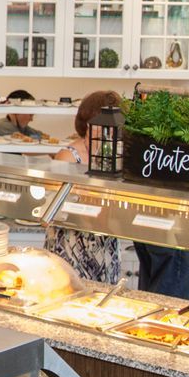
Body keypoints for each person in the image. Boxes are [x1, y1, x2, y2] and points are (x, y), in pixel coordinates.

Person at [45, 91, 125, 283]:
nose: (109, 128)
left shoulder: (117, 153)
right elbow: (56, 206)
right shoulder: (68, 156)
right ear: (87, 122)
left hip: (105, 242)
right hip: (71, 242)